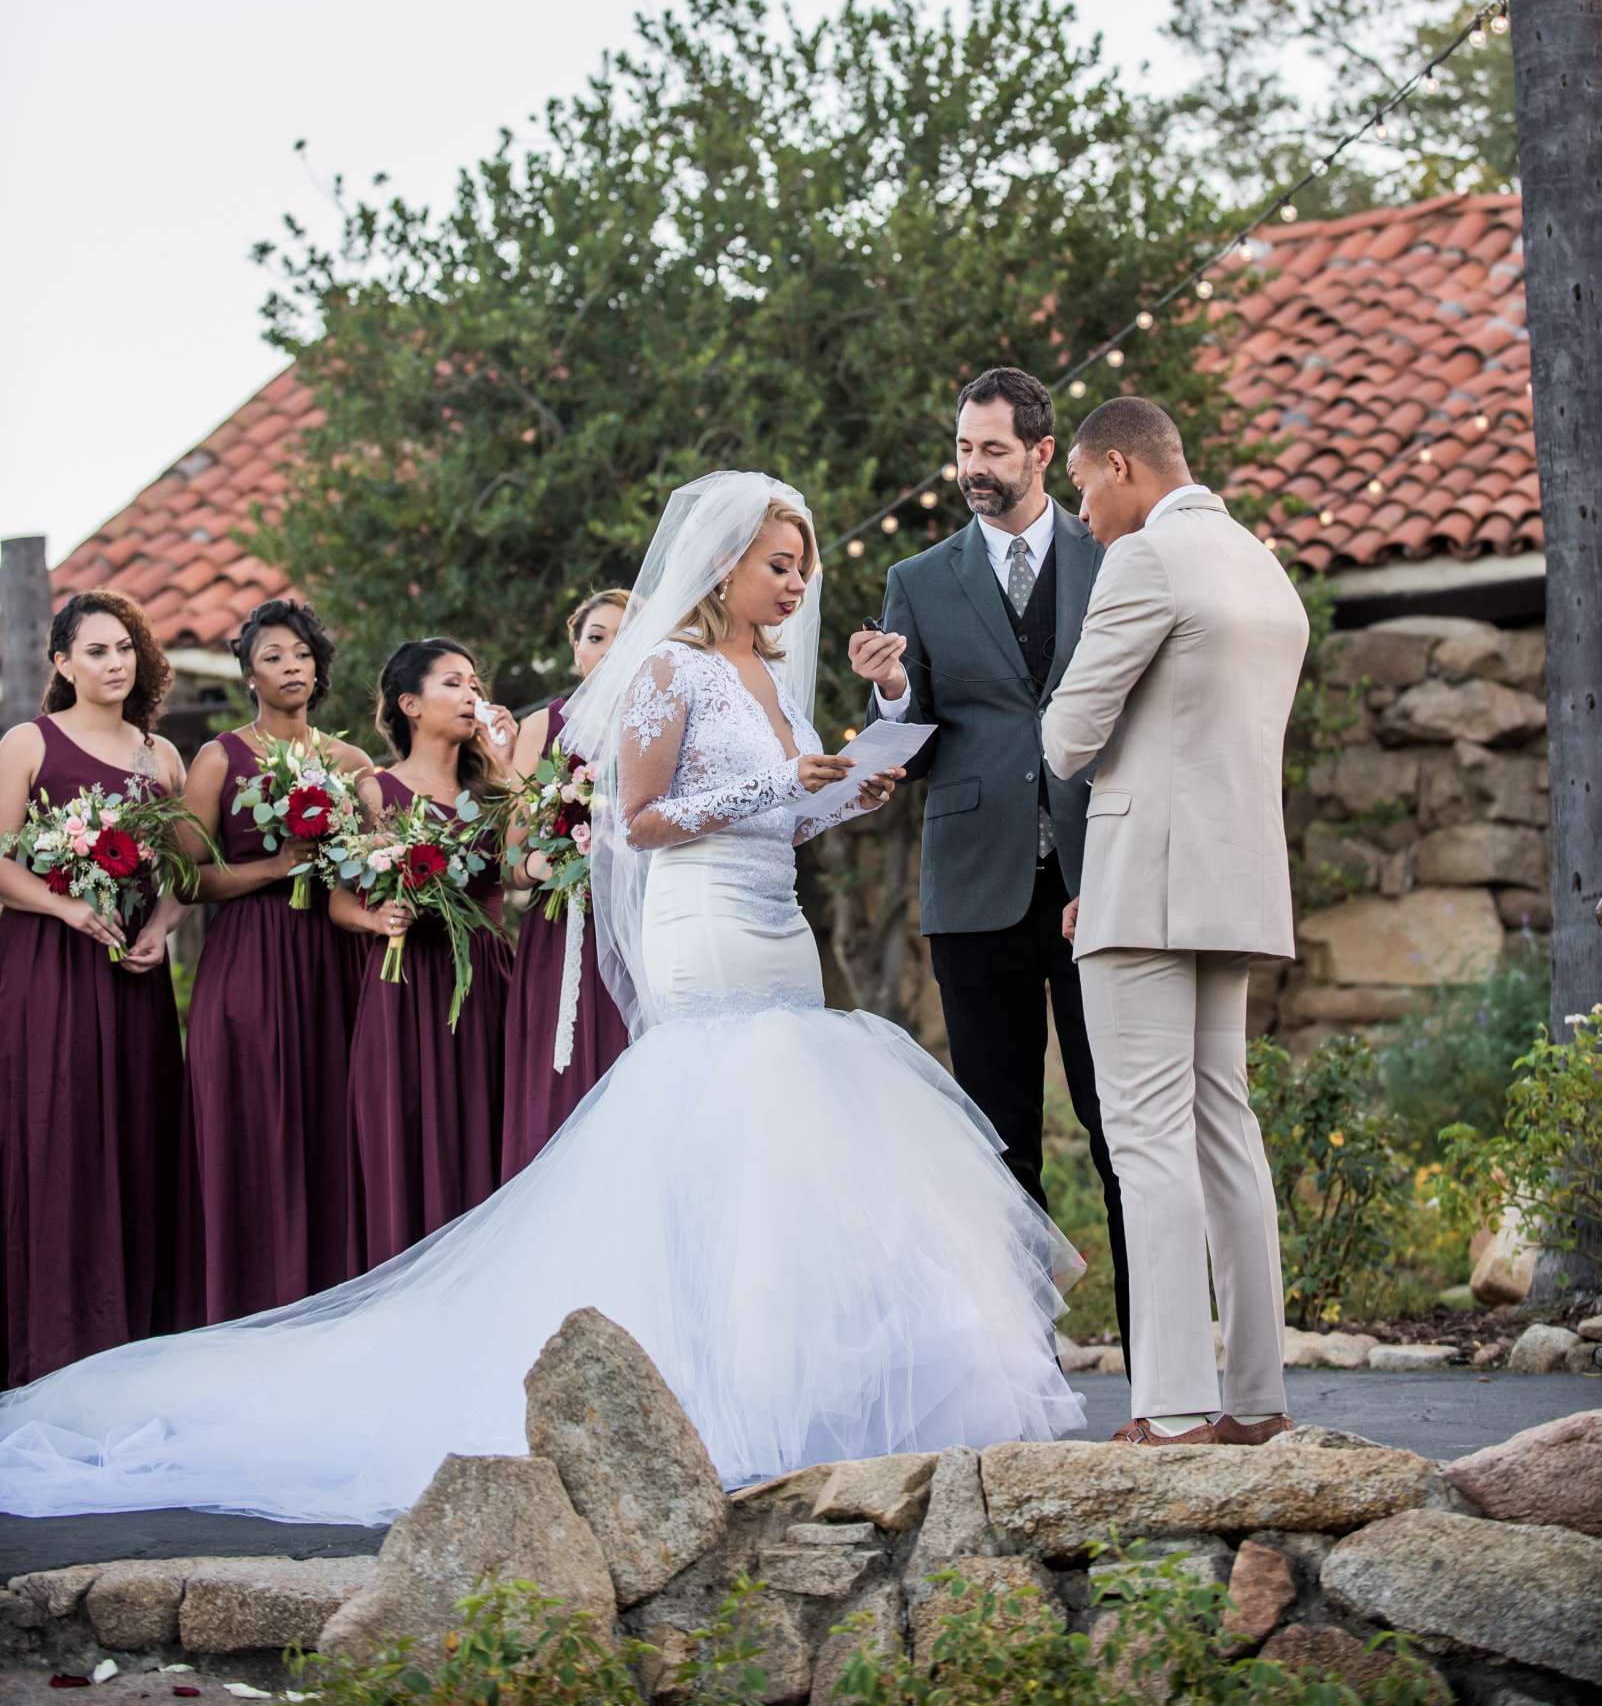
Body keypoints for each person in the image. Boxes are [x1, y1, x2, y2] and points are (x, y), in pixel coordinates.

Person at [0, 473, 1084, 1523]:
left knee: (788, 1150)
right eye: (781, 566)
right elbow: (640, 819)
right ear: (725, 568)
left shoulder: (774, 682)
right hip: (702, 932)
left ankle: (788, 1381)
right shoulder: (670, 673)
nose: (798, 587)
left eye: (803, 569)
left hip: (779, 924)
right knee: (727, 1128)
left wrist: (849, 783)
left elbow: (790, 820)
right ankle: (700, 1387)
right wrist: (774, 784)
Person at [850, 366, 1129, 1365]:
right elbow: (914, 742)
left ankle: (1161, 1368)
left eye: (994, 451)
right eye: (965, 450)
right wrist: (888, 697)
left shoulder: (1115, 555)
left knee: (1117, 1131)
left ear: (1043, 453)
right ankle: (1023, 1372)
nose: (974, 468)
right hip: (975, 892)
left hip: (1105, 879)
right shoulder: (918, 582)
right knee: (999, 1141)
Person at [1042, 396, 1307, 1447]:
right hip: (1237, 881)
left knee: (1146, 1140)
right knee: (1226, 1132)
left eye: (1082, 489)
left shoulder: (1147, 560)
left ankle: (1174, 1409)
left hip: (1145, 883)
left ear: (1121, 467)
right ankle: (1255, 1400)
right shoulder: (1260, 561)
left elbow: (1068, 736)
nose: (1084, 513)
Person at [0, 592, 185, 1386]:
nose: (115, 664)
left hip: (133, 977)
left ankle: (132, 1346)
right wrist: (63, 904)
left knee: (137, 1141)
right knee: (55, 1138)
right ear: (64, 664)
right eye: (98, 651)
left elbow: (184, 870)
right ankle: (44, 1350)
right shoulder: (26, 743)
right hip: (46, 970)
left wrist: (164, 927)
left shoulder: (163, 756)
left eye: (125, 650)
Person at [176, 601, 373, 1324]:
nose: (290, 668)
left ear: (318, 667)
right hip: (251, 961)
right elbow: (185, 878)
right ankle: (252, 1300)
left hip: (336, 960)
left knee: (333, 1117)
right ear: (250, 674)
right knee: (259, 1120)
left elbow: (375, 864)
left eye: (300, 654)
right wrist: (272, 868)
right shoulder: (220, 757)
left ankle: (338, 1297)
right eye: (272, 657)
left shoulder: (351, 763)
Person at [336, 640, 518, 1270]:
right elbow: (338, 901)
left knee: (489, 1136)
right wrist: (375, 915)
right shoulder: (374, 791)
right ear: (409, 704)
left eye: (474, 682)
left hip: (489, 988)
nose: (471, 694)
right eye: (452, 683)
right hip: (406, 990)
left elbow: (524, 870)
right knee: (411, 1142)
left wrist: (508, 762)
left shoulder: (495, 792)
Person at [502, 589, 631, 1177]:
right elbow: (510, 850)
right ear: (576, 649)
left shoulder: (660, 717)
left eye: (625, 635)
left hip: (639, 920)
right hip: (563, 926)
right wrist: (541, 867)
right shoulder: (543, 724)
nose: (610, 648)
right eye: (597, 636)